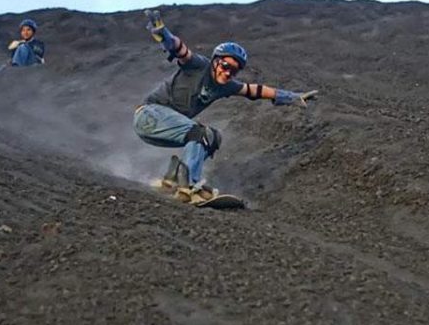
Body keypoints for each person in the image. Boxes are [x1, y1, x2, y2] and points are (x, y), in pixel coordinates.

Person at [133, 10, 318, 203]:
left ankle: (172, 180)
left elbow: (255, 90)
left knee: (213, 138)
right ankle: (188, 186)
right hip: (149, 115)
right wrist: (164, 35)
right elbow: (180, 50)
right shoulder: (199, 65)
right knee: (201, 133)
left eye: (235, 70)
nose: (228, 72)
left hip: (165, 126)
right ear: (214, 61)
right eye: (225, 65)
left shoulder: (226, 86)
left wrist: (292, 97)